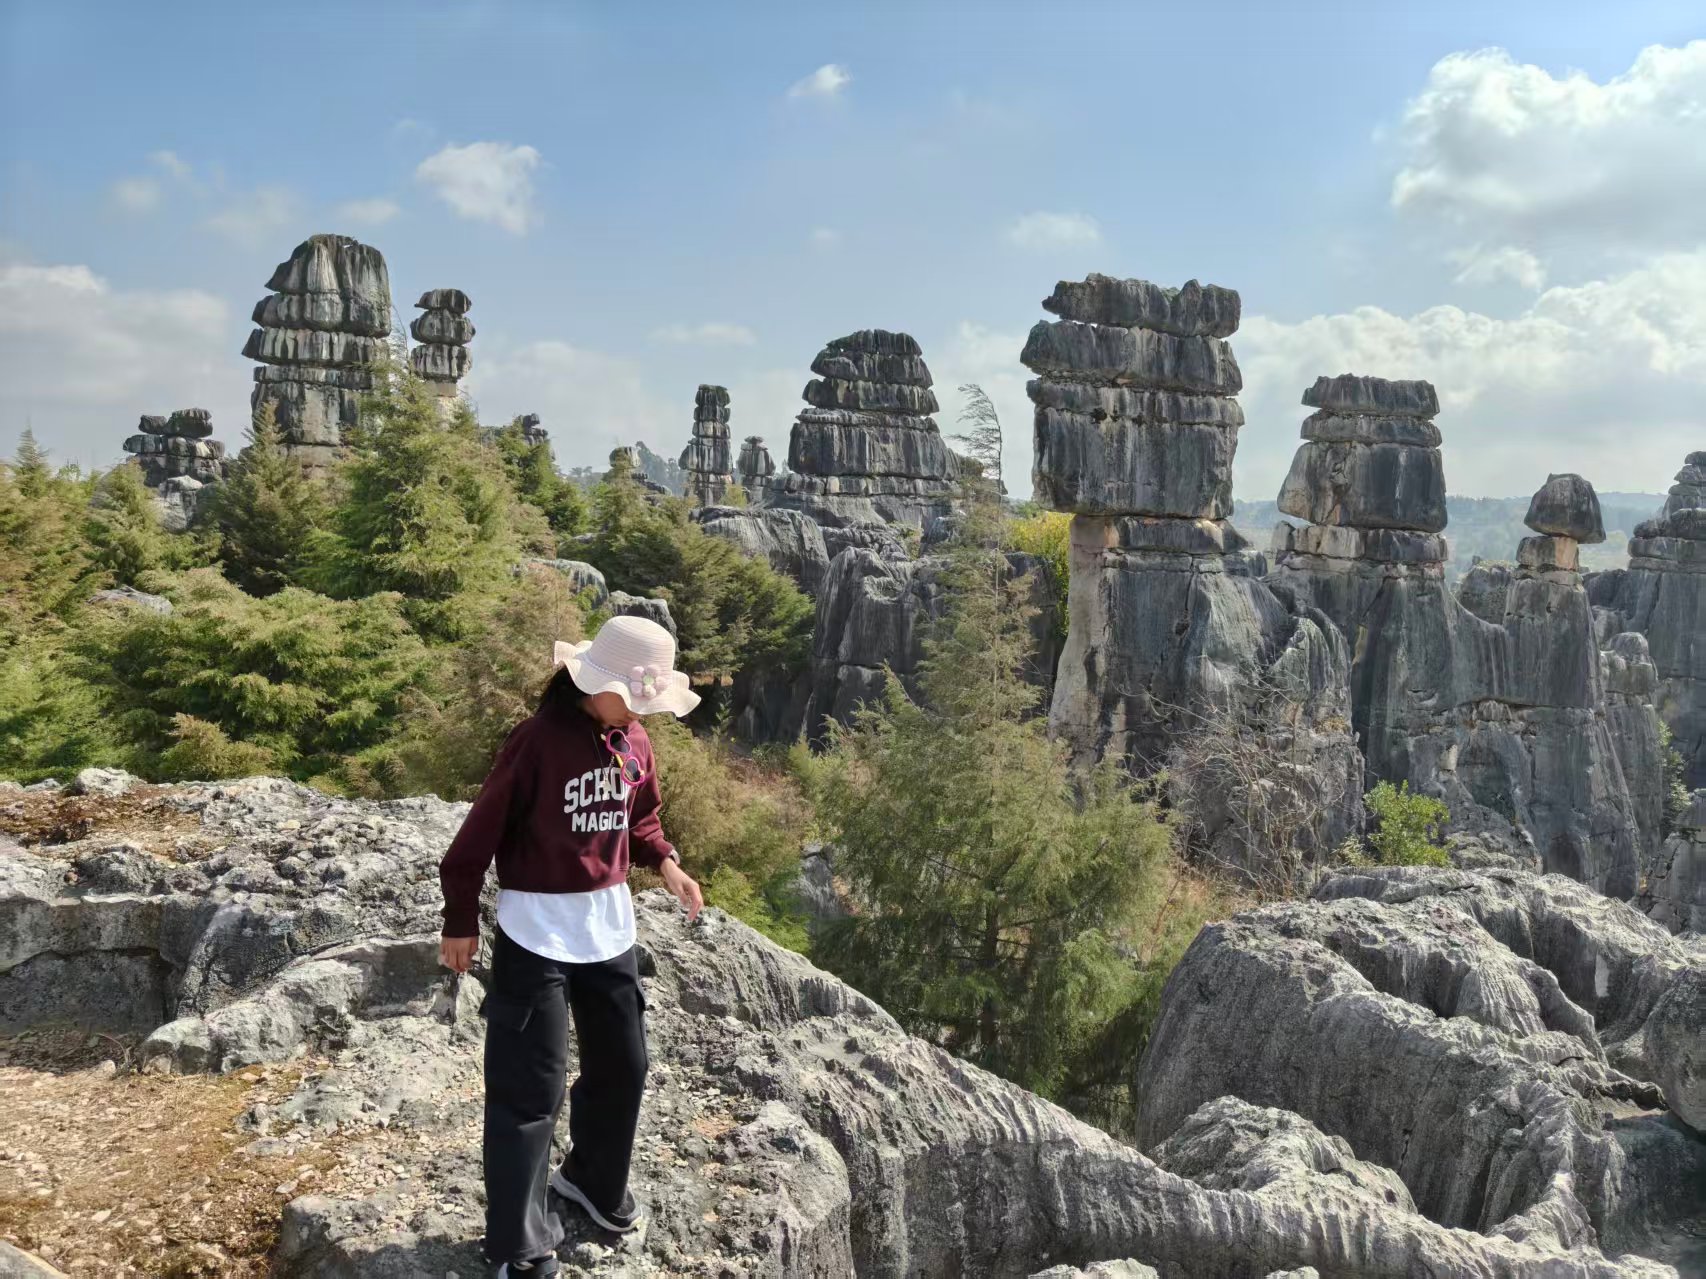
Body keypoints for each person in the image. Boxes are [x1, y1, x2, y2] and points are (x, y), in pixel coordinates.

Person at [438, 615, 705, 1277]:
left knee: (625, 1064)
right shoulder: (535, 742)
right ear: (596, 683)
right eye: (638, 695)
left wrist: (666, 860)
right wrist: (460, 919)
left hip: (607, 926)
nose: (646, 710)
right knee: (531, 1089)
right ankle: (517, 1247)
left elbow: (640, 815)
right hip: (536, 930)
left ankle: (592, 1181)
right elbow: (476, 837)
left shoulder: (634, 739)